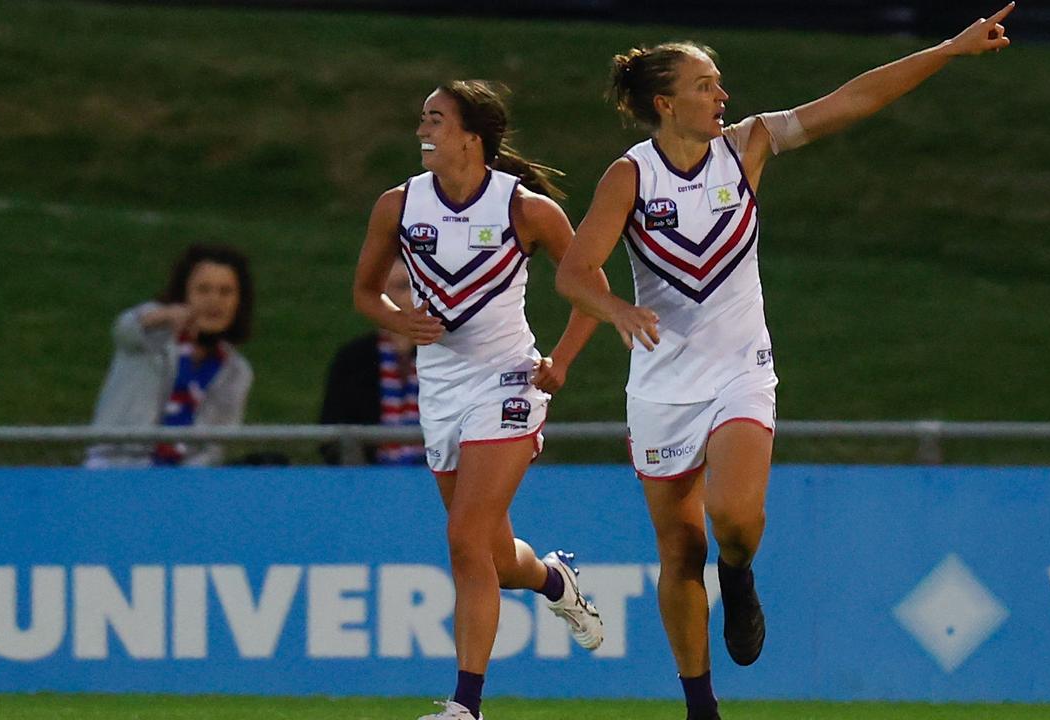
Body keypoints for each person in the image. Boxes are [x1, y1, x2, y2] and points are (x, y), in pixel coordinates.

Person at [555, 7, 1014, 718]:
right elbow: (575, 272)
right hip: (660, 384)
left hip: (741, 368)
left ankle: (737, 575)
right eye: (706, 86)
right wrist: (615, 309)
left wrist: (950, 49)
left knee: (733, 519)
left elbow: (853, 99)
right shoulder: (630, 177)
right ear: (665, 103)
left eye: (721, 85)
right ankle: (700, 706)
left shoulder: (750, 147)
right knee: (679, 552)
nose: (722, 97)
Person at [352, 80, 610, 720]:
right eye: (423, 119)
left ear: (472, 135)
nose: (423, 130)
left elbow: (591, 287)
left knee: (464, 537)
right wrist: (398, 321)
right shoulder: (397, 206)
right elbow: (363, 293)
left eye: (435, 119)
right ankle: (553, 580)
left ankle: (465, 706)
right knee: (491, 553)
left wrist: (562, 362)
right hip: (439, 389)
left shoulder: (527, 210)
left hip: (509, 381)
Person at [86, 243, 255, 468]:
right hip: (117, 469)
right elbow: (126, 327)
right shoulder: (152, 336)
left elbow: (214, 444)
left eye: (226, 292)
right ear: (184, 293)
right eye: (203, 289)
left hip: (180, 484)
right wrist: (164, 316)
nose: (214, 301)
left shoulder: (236, 371)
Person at [319, 260, 425, 465]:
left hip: (433, 476)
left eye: (412, 287)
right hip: (368, 478)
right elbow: (331, 430)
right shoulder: (354, 359)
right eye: (402, 287)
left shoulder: (447, 355)